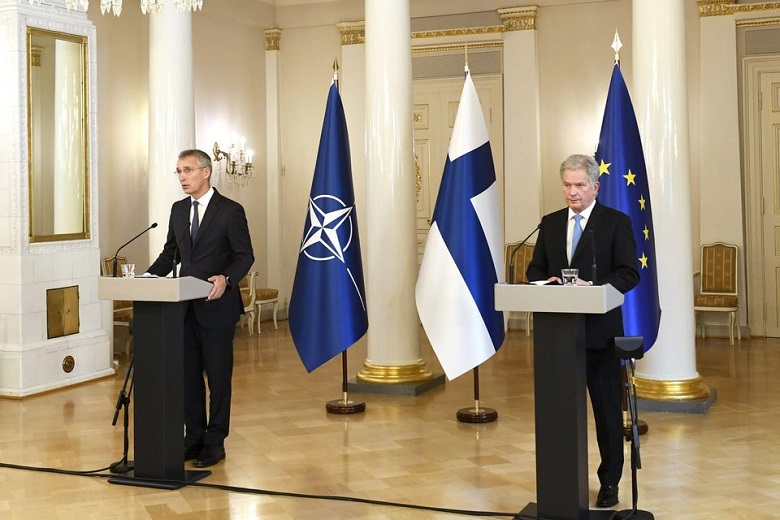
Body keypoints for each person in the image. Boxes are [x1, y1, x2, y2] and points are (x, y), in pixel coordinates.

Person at [526, 153, 639, 508]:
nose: (572, 192)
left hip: (599, 335)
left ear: (595, 186)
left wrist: (595, 288)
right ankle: (561, 480)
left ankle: (610, 482)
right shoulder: (550, 223)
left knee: (606, 414)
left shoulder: (615, 223)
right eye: (566, 185)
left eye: (579, 185)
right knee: (559, 413)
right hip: (558, 339)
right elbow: (534, 270)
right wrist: (549, 282)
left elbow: (629, 272)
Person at [147, 148, 254, 468]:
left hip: (217, 308)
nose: (182, 177)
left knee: (218, 380)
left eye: (188, 170)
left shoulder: (230, 211)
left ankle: (215, 441)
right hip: (184, 309)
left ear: (206, 172)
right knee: (188, 378)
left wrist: (227, 278)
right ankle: (193, 437)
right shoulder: (178, 210)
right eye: (179, 171)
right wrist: (146, 279)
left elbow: (244, 255)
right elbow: (171, 254)